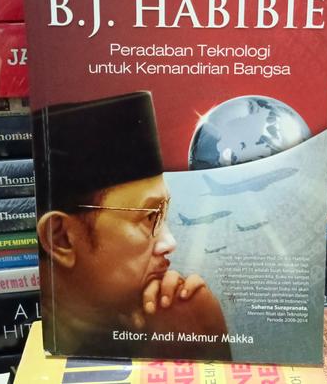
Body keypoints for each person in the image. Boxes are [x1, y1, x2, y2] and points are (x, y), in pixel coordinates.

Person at [34, 92, 231, 359]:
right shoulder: (40, 342)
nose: (170, 243)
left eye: (163, 215)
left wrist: (205, 344)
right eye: (149, 218)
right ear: (61, 238)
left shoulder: (174, 318)